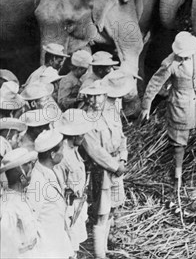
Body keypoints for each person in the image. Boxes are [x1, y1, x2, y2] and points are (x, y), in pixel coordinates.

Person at [141, 32, 196, 187]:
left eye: (187, 55)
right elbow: (155, 83)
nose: (184, 58)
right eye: (181, 56)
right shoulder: (170, 63)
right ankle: (177, 176)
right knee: (179, 141)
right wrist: (146, 105)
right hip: (181, 103)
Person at [80, 80, 127, 259]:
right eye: (91, 96)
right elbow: (95, 151)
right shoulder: (86, 120)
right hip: (102, 170)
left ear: (105, 95)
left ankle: (105, 248)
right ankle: (99, 254)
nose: (94, 100)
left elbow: (122, 137)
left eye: (98, 95)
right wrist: (115, 166)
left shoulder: (112, 113)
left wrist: (122, 158)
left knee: (112, 210)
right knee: (102, 212)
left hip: (117, 167)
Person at [27, 129, 73, 259]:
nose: (63, 154)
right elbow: (31, 219)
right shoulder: (37, 181)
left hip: (57, 243)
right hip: (46, 249)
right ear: (52, 154)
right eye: (61, 150)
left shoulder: (53, 171)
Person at [54, 109, 95, 253]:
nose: (84, 136)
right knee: (68, 246)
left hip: (77, 204)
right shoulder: (63, 154)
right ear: (74, 134)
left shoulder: (74, 149)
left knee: (74, 243)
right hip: (68, 207)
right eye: (82, 133)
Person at [0, 147, 40, 258]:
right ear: (22, 177)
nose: (32, 168)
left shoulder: (20, 197)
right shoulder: (10, 205)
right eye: (29, 165)